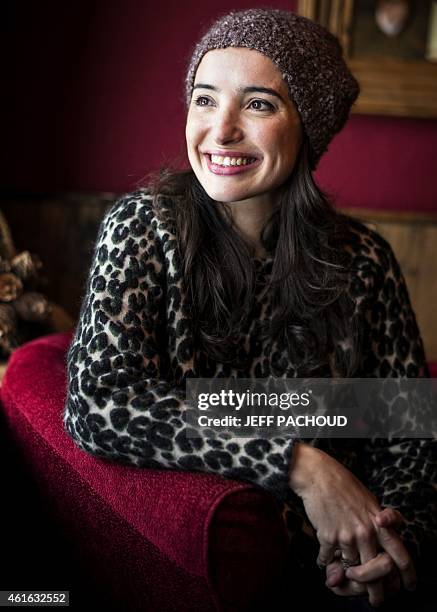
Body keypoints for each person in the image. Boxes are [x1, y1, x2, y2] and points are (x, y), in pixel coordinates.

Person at [64, 8, 436, 609]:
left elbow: (406, 436)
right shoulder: (141, 227)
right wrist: (299, 463)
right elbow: (102, 403)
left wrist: (393, 546)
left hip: (339, 576)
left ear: (308, 127)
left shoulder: (364, 260)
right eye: (205, 100)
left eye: (258, 105)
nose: (221, 130)